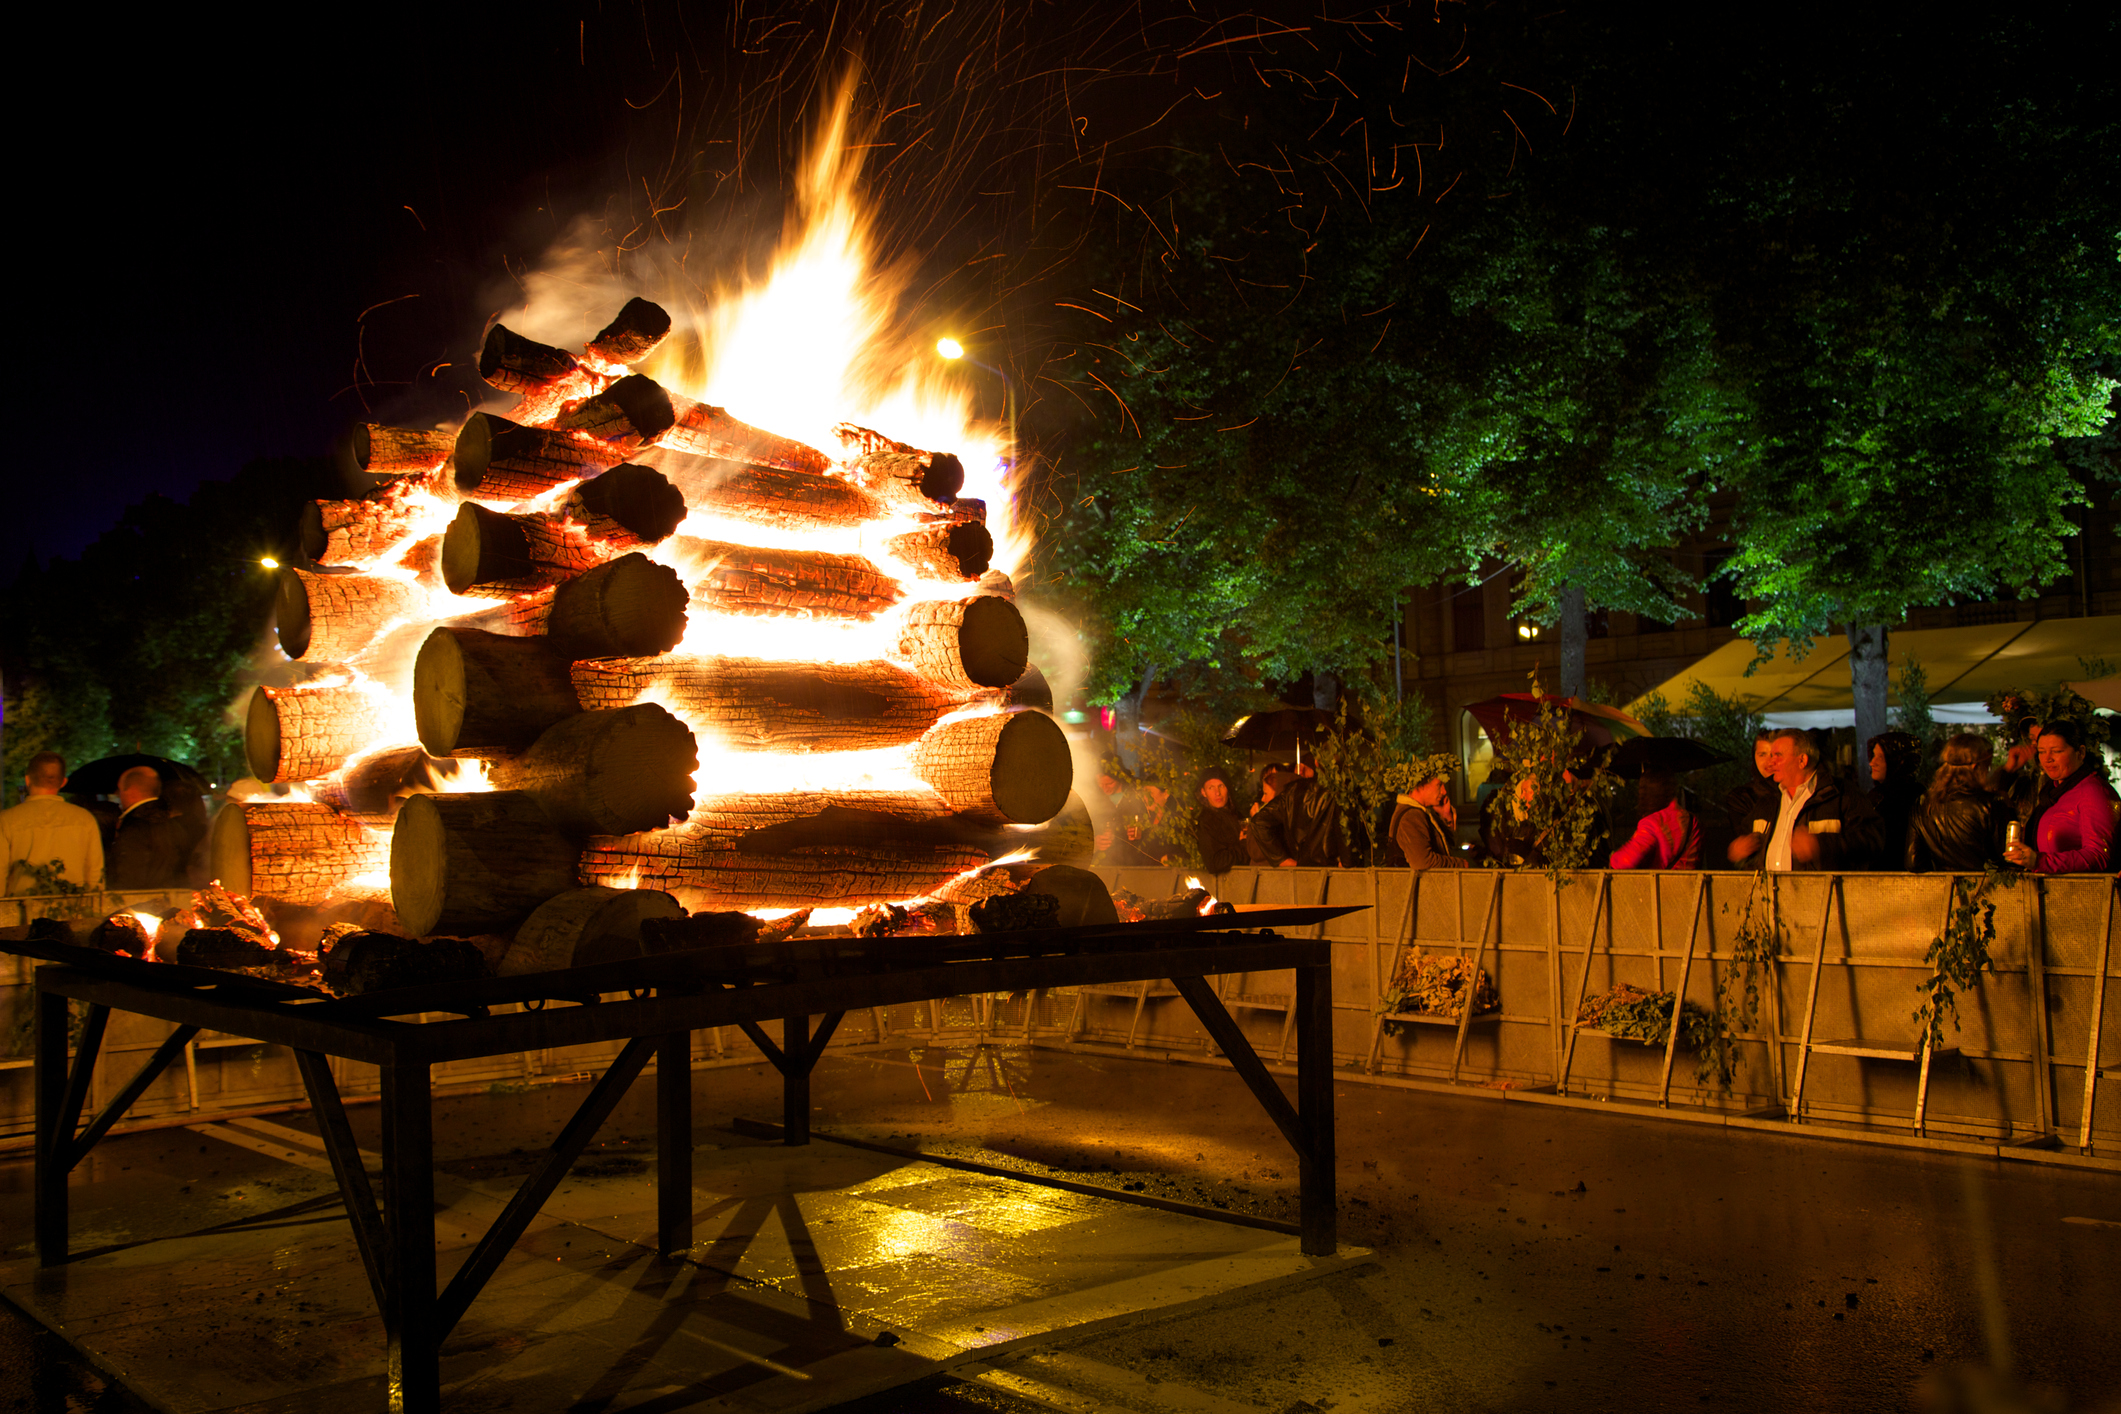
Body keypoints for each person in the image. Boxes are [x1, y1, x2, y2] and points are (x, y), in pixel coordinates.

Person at [1727, 728, 1882, 871]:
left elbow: (1873, 840)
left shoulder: (1841, 794)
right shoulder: (1767, 800)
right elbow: (1750, 843)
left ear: (1802, 760)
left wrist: (1821, 844)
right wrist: (1740, 852)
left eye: (1778, 755)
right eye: (1768, 755)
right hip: (1770, 899)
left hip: (1824, 898)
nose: (1771, 761)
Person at [2003, 721, 2115, 874]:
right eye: (2041, 752)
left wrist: (2040, 861)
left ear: (2080, 753)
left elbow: (2098, 855)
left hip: (2083, 893)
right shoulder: (2052, 791)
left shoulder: (2092, 791)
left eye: (2056, 751)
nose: (2047, 759)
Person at [1905, 733, 2014, 873]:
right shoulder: (1992, 804)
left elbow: (1913, 863)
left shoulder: (1922, 804)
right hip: (1987, 890)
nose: (1988, 771)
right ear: (1976, 767)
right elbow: (2009, 858)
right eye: (1988, 766)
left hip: (1942, 890)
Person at [0, 752, 106, 896]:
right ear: (63, 782)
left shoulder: (6, 820)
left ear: (27, 780)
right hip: (73, 910)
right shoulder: (85, 819)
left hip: (21, 911)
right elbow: (95, 875)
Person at [106, 766, 192, 890]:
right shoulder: (175, 826)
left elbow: (128, 877)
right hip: (173, 902)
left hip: (138, 905)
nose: (117, 794)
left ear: (131, 790)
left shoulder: (134, 827)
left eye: (119, 789)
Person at [1250, 759, 1343, 867]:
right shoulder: (1333, 793)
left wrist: (1285, 861)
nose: (1263, 798)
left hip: (1300, 872)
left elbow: (1258, 825)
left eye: (1266, 793)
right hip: (1325, 868)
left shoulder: (1292, 798)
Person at [1610, 771, 1701, 869]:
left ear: (1649, 794)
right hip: (1694, 883)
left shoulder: (1652, 823)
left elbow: (1626, 861)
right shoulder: (1693, 821)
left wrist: (1613, 858)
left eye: (1642, 790)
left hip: (1659, 883)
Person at [1385, 763, 1467, 871]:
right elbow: (1423, 862)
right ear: (1421, 785)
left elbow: (1448, 847)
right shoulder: (1412, 816)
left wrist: (1445, 816)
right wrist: (1460, 864)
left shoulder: (1420, 812)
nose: (1444, 791)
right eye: (1439, 785)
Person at [1866, 730, 1924, 871]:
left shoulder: (1881, 798)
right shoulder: (1922, 794)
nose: (1872, 763)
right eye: (1873, 755)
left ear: (1898, 761)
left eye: (1880, 757)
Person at [1194, 768, 1246, 874]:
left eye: (1221, 786)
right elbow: (1215, 863)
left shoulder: (1237, 815)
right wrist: (1243, 846)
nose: (1217, 793)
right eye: (1211, 788)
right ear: (1203, 792)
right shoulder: (1206, 822)